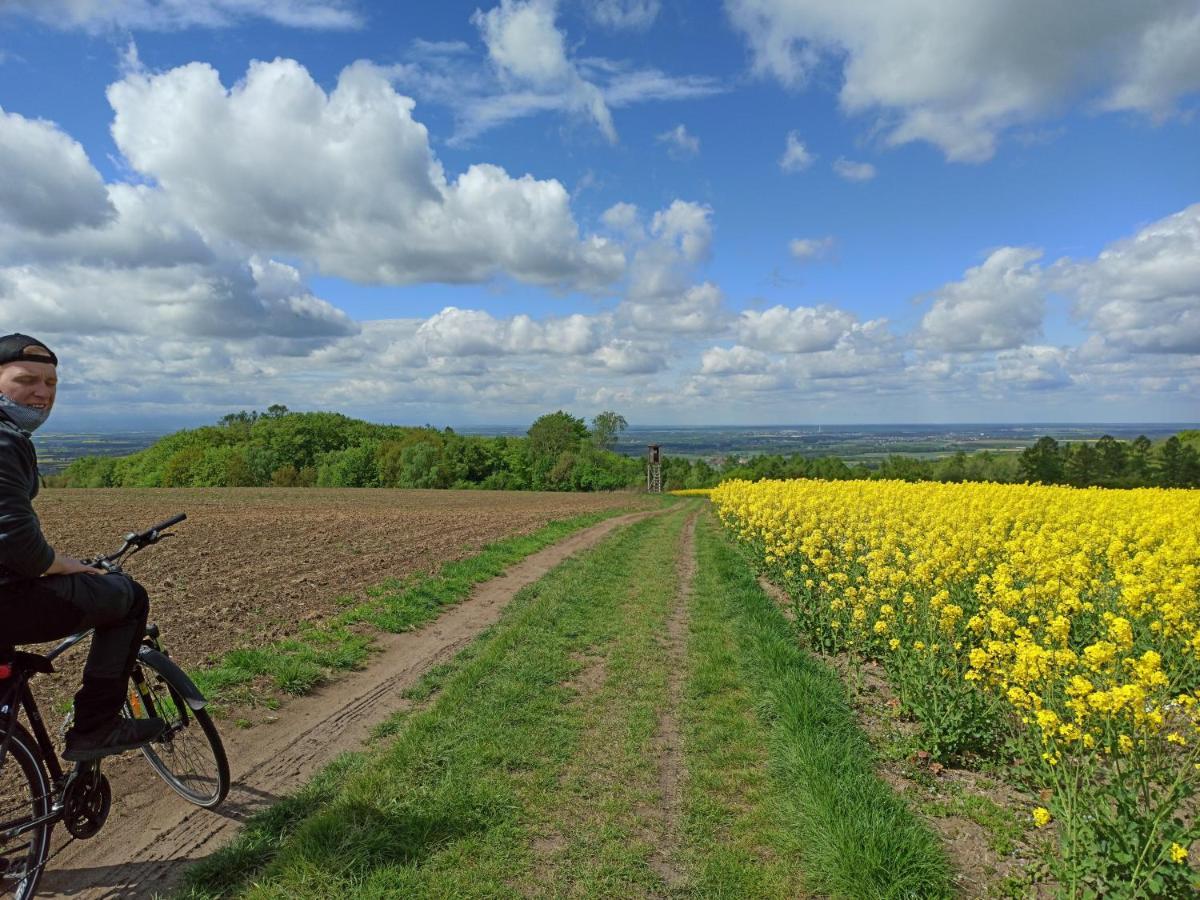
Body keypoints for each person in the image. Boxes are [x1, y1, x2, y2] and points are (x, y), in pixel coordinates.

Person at [0, 333, 164, 761]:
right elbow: (17, 542)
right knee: (129, 599)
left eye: (51, 383)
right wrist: (58, 564)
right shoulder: (2, 439)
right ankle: (97, 725)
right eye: (26, 380)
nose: (42, 392)